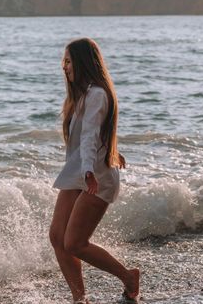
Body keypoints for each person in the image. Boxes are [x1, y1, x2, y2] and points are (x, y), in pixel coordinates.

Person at [49, 38, 140, 304]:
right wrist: (111, 148)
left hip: (96, 176)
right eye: (63, 61)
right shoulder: (84, 95)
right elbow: (95, 132)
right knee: (57, 237)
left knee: (74, 242)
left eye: (68, 61)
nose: (64, 66)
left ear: (83, 62)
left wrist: (89, 169)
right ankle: (80, 299)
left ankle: (128, 277)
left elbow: (89, 136)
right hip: (80, 171)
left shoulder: (98, 94)